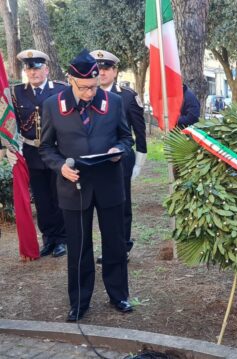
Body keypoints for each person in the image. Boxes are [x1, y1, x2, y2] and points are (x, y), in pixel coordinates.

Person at [39, 49, 134, 321]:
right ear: (70, 80)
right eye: (84, 88)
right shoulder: (52, 106)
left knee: (114, 243)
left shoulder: (113, 102)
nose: (91, 93)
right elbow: (46, 148)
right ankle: (79, 301)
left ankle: (119, 295)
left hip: (109, 184)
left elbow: (127, 139)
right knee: (79, 247)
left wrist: (119, 149)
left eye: (94, 86)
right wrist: (61, 167)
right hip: (74, 187)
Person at [9, 49, 68, 258]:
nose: (32, 73)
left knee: (57, 197)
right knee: (42, 200)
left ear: (46, 69)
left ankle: (61, 239)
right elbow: (11, 122)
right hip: (31, 154)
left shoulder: (61, 90)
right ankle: (49, 238)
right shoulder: (16, 93)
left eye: (36, 69)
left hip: (55, 152)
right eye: (28, 69)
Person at [90, 50, 147, 264]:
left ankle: (121, 247)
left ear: (115, 71)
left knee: (121, 205)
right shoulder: (88, 95)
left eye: (106, 68)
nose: (101, 73)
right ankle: (108, 247)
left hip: (121, 159)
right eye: (98, 69)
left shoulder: (127, 96)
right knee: (101, 206)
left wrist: (139, 163)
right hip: (95, 160)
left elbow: (140, 133)